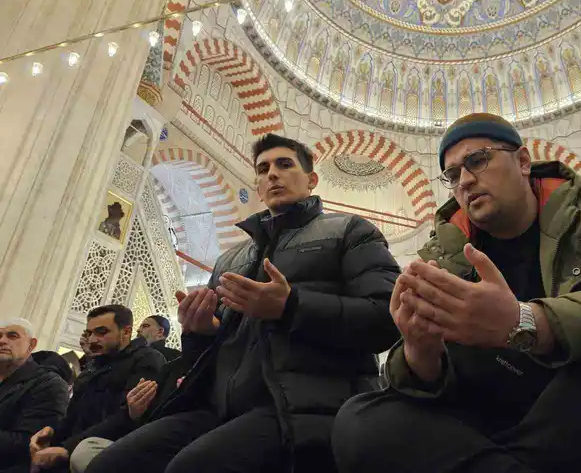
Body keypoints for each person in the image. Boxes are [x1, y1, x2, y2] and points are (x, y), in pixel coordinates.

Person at [333, 113, 581, 473]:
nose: (466, 180)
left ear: (523, 161)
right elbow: (414, 386)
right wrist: (421, 353)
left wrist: (525, 322)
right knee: (361, 421)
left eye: (477, 160)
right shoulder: (441, 254)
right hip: (501, 426)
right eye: (453, 175)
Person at [85, 133, 400, 473]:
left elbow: (386, 320)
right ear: (258, 187)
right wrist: (200, 330)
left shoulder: (350, 231)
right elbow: (207, 352)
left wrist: (291, 307)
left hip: (302, 408)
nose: (273, 174)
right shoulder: (231, 259)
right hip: (218, 407)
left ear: (311, 180)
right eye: (263, 169)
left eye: (284, 164)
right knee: (110, 464)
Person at [29, 305, 165, 471]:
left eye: (101, 332)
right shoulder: (95, 365)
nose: (93, 340)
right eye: (90, 333)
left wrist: (67, 448)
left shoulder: (147, 359)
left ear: (126, 332)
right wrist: (52, 433)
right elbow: (74, 415)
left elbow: (127, 417)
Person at [0, 319, 69, 473]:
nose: (2, 341)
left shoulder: (49, 384)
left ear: (31, 345)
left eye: (12, 336)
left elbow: (30, 443)